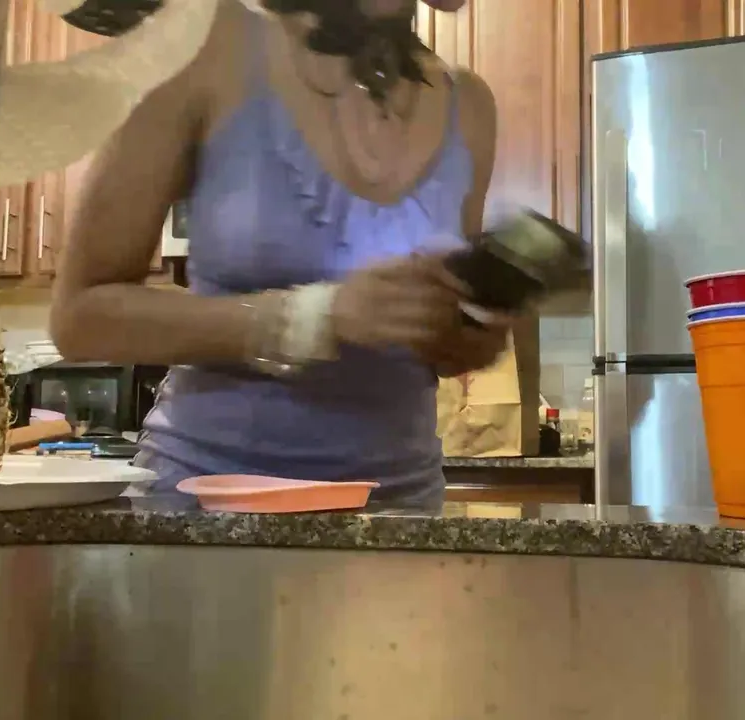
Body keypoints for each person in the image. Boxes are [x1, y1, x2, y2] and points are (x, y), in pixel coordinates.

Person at [50, 0, 506, 509]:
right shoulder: (201, 44)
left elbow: (441, 346)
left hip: (399, 509)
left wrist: (468, 335)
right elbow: (79, 318)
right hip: (209, 504)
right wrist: (314, 318)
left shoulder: (469, 105)